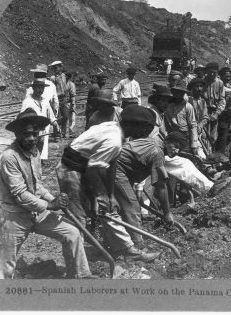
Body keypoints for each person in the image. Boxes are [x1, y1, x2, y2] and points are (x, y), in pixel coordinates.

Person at [0, 108, 93, 279]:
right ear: (17, 135)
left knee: (72, 233)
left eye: (34, 134)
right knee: (5, 266)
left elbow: (37, 186)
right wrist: (50, 205)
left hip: (36, 212)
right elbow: (20, 194)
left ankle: (80, 276)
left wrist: (53, 199)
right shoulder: (9, 157)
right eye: (26, 134)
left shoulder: (34, 153)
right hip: (14, 216)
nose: (32, 138)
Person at [56, 107, 162, 262]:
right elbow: (93, 168)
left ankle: (124, 250)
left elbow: (111, 166)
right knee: (79, 217)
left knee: (107, 208)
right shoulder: (114, 140)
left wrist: (111, 195)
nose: (146, 134)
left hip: (84, 168)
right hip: (71, 170)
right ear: (133, 126)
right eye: (145, 129)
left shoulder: (117, 132)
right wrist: (101, 195)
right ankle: (76, 263)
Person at [114, 105, 175, 246]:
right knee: (132, 208)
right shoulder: (156, 151)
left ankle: (121, 242)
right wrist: (167, 213)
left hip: (116, 169)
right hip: (113, 169)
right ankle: (137, 246)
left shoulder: (151, 143)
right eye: (175, 146)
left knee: (124, 206)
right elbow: (160, 186)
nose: (176, 151)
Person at [21, 70, 57, 160]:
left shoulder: (45, 101)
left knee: (38, 155)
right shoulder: (28, 102)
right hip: (31, 135)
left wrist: (56, 126)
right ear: (33, 88)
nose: (40, 90)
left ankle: (37, 169)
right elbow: (21, 119)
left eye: (42, 88)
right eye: (38, 87)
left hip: (42, 135)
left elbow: (51, 116)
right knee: (29, 156)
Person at [164, 86, 200, 157]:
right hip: (172, 136)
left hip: (185, 136)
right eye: (176, 93)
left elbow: (192, 126)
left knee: (190, 155)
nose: (178, 95)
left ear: (184, 94)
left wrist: (193, 144)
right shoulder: (169, 106)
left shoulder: (188, 106)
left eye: (180, 93)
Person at [201, 62, 226, 150]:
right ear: (206, 71)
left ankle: (210, 153)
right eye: (210, 72)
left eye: (214, 72)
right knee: (203, 135)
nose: (212, 74)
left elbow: (222, 100)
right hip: (203, 111)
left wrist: (216, 113)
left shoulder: (220, 83)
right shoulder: (202, 82)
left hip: (214, 112)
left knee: (213, 135)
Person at [187, 78, 211, 159]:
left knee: (208, 145)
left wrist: (201, 125)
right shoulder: (188, 100)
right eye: (196, 86)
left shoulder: (203, 101)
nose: (199, 89)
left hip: (201, 129)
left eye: (201, 86)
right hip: (189, 129)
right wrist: (195, 127)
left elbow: (205, 117)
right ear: (192, 88)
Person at [215, 67, 231, 153]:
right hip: (220, 112)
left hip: (227, 112)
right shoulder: (218, 85)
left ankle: (221, 152)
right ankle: (219, 152)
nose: (228, 78)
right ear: (221, 76)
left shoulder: (229, 86)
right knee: (221, 133)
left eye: (229, 76)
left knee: (225, 132)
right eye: (226, 76)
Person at [49, 60, 66, 141]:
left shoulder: (63, 76)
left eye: (58, 67)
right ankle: (57, 135)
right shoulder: (52, 78)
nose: (56, 69)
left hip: (64, 99)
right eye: (54, 68)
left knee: (65, 116)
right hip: (57, 99)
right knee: (57, 117)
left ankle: (62, 133)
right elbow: (51, 89)